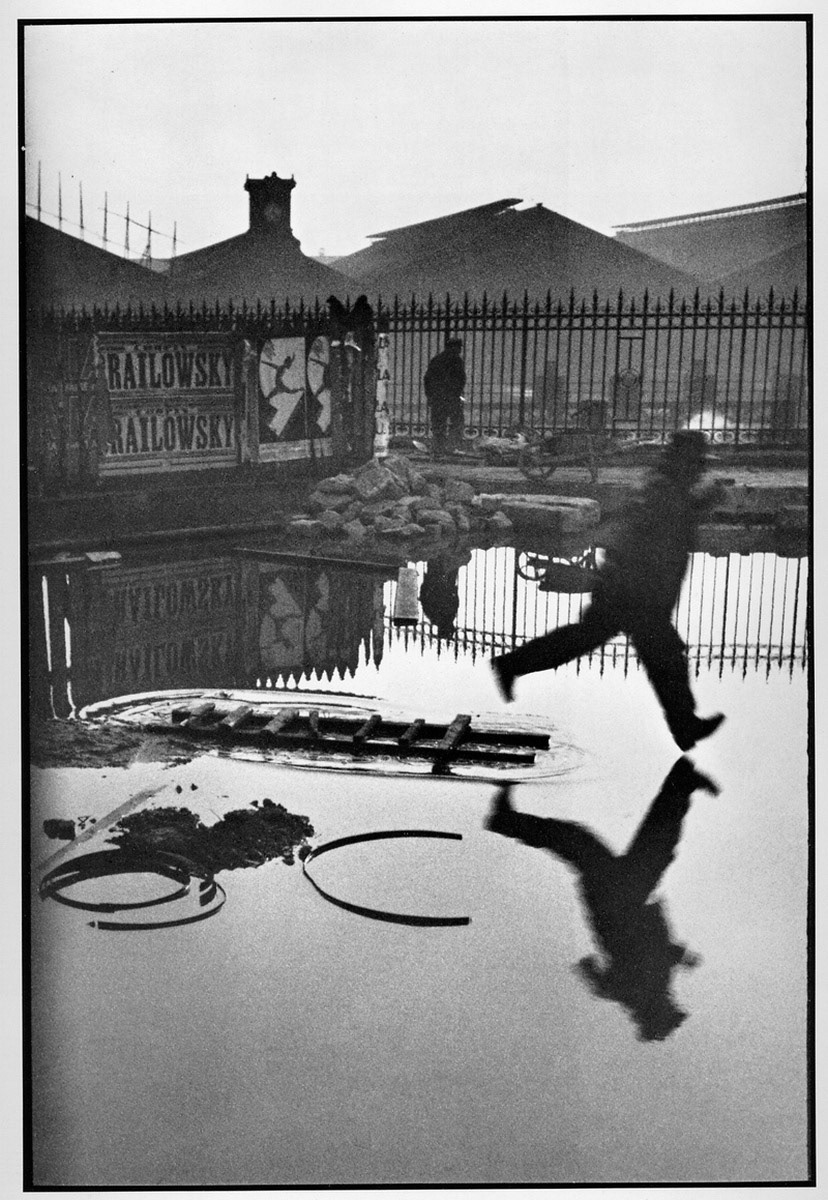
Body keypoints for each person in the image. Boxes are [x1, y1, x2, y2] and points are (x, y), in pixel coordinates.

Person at [491, 430, 725, 752]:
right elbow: (659, 524)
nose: (700, 470)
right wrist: (702, 501)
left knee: (598, 641)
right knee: (663, 656)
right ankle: (684, 725)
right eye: (697, 464)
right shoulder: (665, 489)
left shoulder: (665, 484)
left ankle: (512, 664)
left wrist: (699, 502)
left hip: (631, 587)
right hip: (635, 591)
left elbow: (664, 519)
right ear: (686, 463)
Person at [486, 757, 719, 1041]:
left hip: (616, 902)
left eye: (670, 1009)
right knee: (650, 844)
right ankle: (682, 782)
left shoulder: (636, 992)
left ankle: (504, 820)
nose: (673, 1002)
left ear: (657, 1010)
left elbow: (609, 974)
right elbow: (648, 957)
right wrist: (680, 957)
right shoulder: (648, 987)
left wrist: (677, 958)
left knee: (595, 843)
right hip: (625, 898)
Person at [423, 338, 466, 456]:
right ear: (454, 347)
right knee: (456, 422)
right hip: (452, 397)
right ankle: (452, 447)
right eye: (459, 347)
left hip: (437, 398)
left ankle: (438, 448)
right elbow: (461, 379)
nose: (460, 350)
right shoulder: (456, 360)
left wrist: (430, 396)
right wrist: (457, 393)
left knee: (438, 424)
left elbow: (427, 379)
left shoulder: (436, 360)